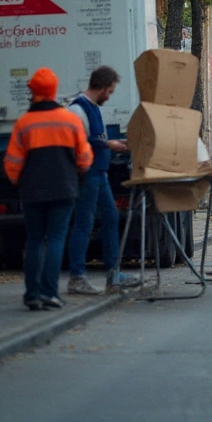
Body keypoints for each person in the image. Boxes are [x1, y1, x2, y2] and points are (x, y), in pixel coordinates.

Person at [4, 68, 93, 311]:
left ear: (32, 92)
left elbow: (12, 163)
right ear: (53, 90)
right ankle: (50, 293)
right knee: (55, 239)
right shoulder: (70, 120)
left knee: (34, 240)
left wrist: (16, 180)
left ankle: (32, 294)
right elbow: (85, 158)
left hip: (32, 191)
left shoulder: (24, 123)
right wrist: (78, 172)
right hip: (63, 189)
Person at [65, 66, 139, 295]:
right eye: (110, 90)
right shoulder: (78, 109)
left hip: (98, 172)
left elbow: (94, 139)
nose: (110, 95)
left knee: (110, 216)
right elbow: (80, 141)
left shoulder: (91, 107)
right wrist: (110, 145)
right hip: (88, 173)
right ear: (103, 87)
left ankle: (113, 273)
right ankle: (77, 276)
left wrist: (112, 143)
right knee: (85, 222)